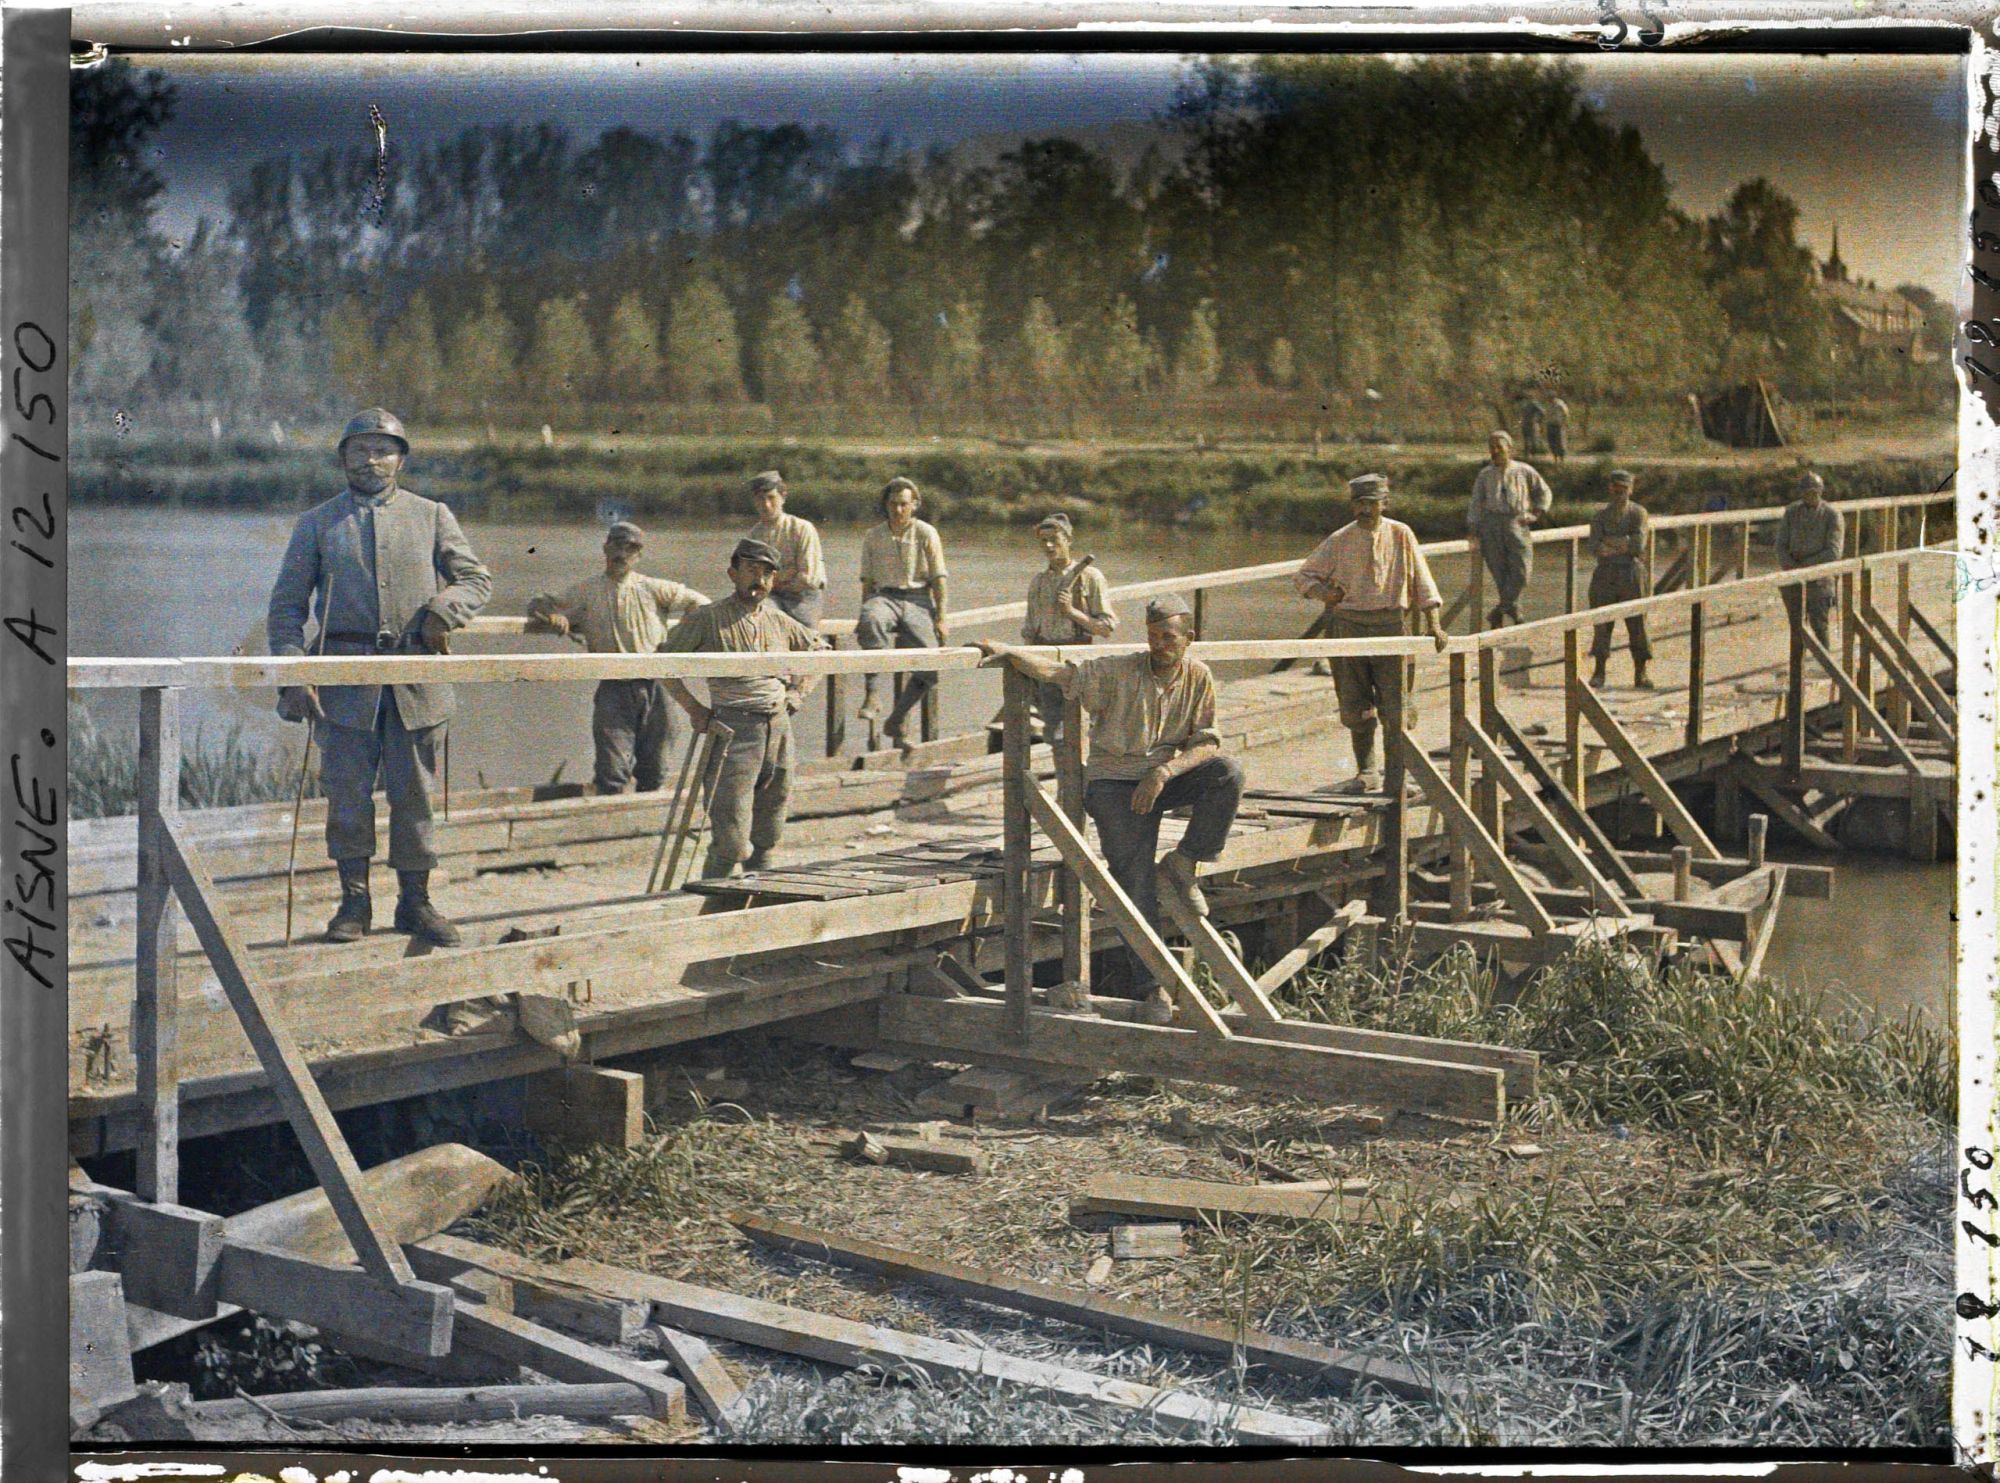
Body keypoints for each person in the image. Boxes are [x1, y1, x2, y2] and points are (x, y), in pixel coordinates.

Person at [267, 407, 492, 946]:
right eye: (360, 449)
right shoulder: (317, 524)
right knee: (347, 794)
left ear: (401, 459)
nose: (372, 460)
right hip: (345, 683)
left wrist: (443, 611)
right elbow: (286, 609)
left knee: (415, 794)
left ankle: (416, 902)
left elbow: (476, 579)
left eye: (383, 450)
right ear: (343, 457)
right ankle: (354, 903)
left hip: (415, 677)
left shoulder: (432, 514)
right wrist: (295, 674)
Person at [975, 595, 1242, 1025]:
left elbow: (1208, 741)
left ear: (1189, 639)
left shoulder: (1199, 676)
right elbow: (1063, 675)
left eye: (1169, 638)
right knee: (1133, 879)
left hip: (1162, 777)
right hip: (1114, 784)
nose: (1159, 645)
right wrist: (1011, 653)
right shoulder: (1120, 670)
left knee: (1227, 773)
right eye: (1153, 636)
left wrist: (1165, 773)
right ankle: (1151, 987)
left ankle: (1185, 861)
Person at [660, 538, 827, 880]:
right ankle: (706, 909)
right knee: (733, 841)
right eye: (751, 570)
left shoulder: (779, 620)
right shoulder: (707, 619)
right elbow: (663, 663)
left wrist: (799, 692)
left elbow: (821, 652)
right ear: (732, 573)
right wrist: (694, 708)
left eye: (767, 573)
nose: (759, 580)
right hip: (733, 732)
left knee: (768, 832)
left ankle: (758, 900)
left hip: (778, 729)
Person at [525, 521, 707, 796]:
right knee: (611, 772)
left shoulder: (653, 588)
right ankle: (608, 823)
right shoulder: (586, 591)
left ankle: (646, 827)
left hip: (658, 684)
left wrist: (683, 637)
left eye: (630, 549)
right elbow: (539, 603)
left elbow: (702, 604)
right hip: (614, 688)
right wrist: (555, 617)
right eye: (617, 546)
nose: (622, 554)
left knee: (656, 769)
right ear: (605, 548)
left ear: (639, 556)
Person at [1292, 473, 1448, 792]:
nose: (1365, 510)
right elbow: (1304, 576)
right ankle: (1367, 771)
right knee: (1354, 703)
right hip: (1348, 628)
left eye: (1371, 504)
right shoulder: (1340, 539)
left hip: (1391, 627)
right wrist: (1324, 593)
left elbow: (1423, 580)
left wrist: (1434, 624)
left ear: (1384, 504)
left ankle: (1396, 774)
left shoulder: (1401, 534)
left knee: (1397, 705)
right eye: (1359, 504)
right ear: (1352, 507)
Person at [856, 476, 950, 744]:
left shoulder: (925, 533)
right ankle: (873, 693)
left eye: (904, 505)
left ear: (915, 505)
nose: (898, 510)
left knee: (931, 667)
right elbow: (867, 582)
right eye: (893, 504)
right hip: (885, 597)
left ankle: (897, 720)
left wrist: (941, 618)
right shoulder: (873, 536)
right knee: (871, 618)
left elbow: (939, 578)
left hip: (918, 599)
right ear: (885, 504)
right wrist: (863, 613)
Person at [1019, 512, 1118, 744]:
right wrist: (1029, 669)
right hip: (1047, 665)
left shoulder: (1089, 577)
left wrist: (1072, 612)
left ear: (1069, 541)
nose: (1049, 545)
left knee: (1083, 732)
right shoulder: (1039, 582)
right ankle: (1064, 779)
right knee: (1054, 733)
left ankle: (1084, 779)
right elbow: (1030, 631)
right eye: (1043, 541)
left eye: (1055, 539)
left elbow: (1106, 628)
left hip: (1079, 663)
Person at [1467, 430, 1553, 628]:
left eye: (1500, 447)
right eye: (1492, 448)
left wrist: (1537, 513)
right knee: (1500, 573)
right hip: (1491, 526)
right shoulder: (1485, 475)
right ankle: (1511, 609)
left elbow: (1544, 492)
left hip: (1516, 523)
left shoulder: (1524, 471)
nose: (1495, 451)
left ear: (1509, 449)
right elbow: (1475, 504)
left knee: (1522, 573)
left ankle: (1499, 610)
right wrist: (1473, 531)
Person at [1586, 471, 1654, 689]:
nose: (1619, 493)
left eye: (1623, 489)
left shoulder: (1638, 513)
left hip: (1631, 573)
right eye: (1615, 488)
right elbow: (1594, 546)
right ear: (1610, 488)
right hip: (1605, 573)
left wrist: (1612, 543)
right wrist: (1621, 544)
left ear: (1630, 490)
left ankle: (1640, 672)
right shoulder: (1599, 516)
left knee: (1638, 624)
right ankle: (1599, 671)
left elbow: (1637, 545)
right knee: (1602, 623)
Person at [744, 469, 826, 629]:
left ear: (783, 497)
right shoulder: (753, 536)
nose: (766, 505)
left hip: (803, 598)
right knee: (761, 616)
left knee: (804, 634)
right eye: (760, 499)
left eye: (771, 498)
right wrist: (784, 575)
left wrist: (773, 580)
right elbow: (752, 579)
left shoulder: (802, 529)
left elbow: (808, 578)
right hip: (770, 597)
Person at [1776, 470, 1844, 645]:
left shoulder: (1832, 515)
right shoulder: (1791, 513)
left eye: (1814, 492)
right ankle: (1798, 667)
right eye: (1806, 492)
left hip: (1820, 577)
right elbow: (1780, 545)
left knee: (1819, 624)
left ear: (1820, 492)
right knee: (1796, 625)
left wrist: (1806, 566)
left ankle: (1827, 664)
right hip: (1793, 575)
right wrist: (1791, 566)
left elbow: (1833, 552)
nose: (1810, 496)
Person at [1516, 393, 1545, 457]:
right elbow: (1521, 415)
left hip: (1532, 424)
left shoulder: (1533, 403)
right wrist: (1520, 421)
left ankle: (1534, 455)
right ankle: (1527, 454)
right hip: (1525, 423)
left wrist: (1537, 419)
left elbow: (1542, 411)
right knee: (1526, 439)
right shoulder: (1523, 404)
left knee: (1533, 439)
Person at [1545, 395, 1570, 463]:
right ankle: (1555, 458)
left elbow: (1566, 413)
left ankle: (1562, 459)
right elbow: (1547, 414)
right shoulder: (1549, 405)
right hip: (1550, 425)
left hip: (1558, 425)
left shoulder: (1560, 404)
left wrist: (1565, 423)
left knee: (1560, 442)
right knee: (1552, 442)